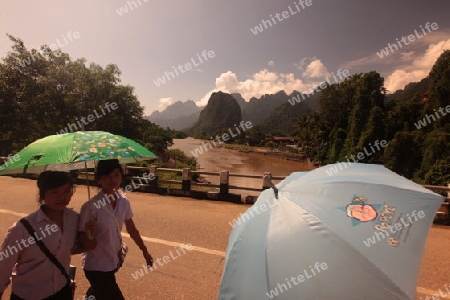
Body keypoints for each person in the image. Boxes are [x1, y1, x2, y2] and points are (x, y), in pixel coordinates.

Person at [0, 171, 96, 300]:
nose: (61, 197)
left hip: (61, 290)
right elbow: (3, 268)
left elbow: (71, 249)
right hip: (29, 295)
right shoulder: (21, 229)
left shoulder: (74, 219)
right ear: (43, 194)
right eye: (54, 192)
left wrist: (89, 237)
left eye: (67, 191)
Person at [78, 159, 153, 300]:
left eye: (116, 175)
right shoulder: (90, 207)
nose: (112, 180)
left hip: (113, 261)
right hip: (96, 265)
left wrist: (145, 251)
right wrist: (89, 232)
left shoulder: (124, 201)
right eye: (107, 176)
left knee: (99, 292)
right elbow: (83, 242)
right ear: (99, 179)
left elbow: (131, 228)